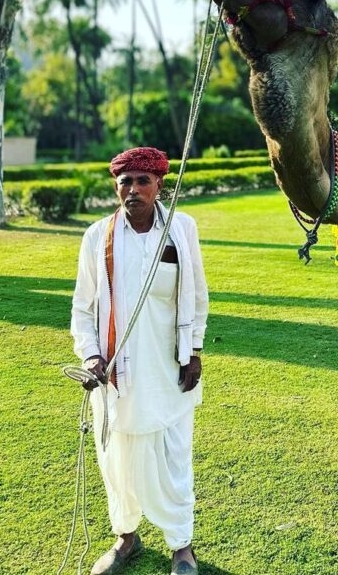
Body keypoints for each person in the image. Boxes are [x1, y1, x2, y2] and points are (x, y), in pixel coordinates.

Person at [71, 147, 209, 575]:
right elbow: (83, 307)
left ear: (159, 186)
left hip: (169, 369)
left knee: (172, 456)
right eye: (125, 181)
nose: (132, 190)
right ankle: (126, 538)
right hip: (116, 374)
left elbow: (198, 295)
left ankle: (181, 546)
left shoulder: (181, 230)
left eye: (141, 181)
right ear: (117, 186)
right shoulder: (98, 236)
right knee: (118, 459)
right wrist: (92, 356)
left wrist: (195, 350)